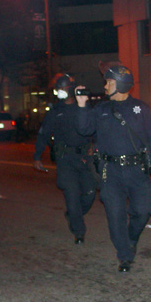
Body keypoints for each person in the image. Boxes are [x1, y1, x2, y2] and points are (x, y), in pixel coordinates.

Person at [75, 63, 151, 272]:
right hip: (110, 171)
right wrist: (81, 105)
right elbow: (84, 129)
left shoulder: (140, 109)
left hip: (137, 170)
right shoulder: (101, 110)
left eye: (109, 82)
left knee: (143, 211)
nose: (105, 86)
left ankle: (131, 239)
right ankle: (125, 256)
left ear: (120, 84)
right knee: (115, 215)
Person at [34, 73, 97, 244]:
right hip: (65, 159)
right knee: (72, 194)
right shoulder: (55, 112)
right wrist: (37, 156)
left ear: (70, 89)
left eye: (62, 89)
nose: (59, 92)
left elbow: (95, 130)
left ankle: (73, 214)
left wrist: (96, 147)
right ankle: (79, 231)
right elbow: (43, 134)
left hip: (83, 158)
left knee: (90, 193)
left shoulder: (83, 107)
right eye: (58, 89)